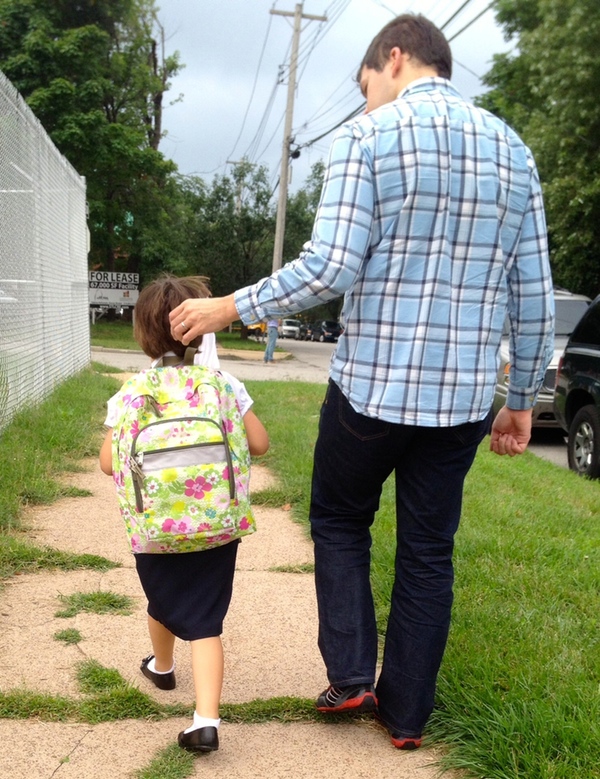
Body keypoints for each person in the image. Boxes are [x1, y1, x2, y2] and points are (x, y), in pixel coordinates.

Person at [167, 14, 554, 750]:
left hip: (370, 392)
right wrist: (521, 401)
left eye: (366, 84)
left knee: (341, 520)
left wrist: (229, 305)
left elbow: (331, 266)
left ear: (395, 57)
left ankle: (351, 677)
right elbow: (533, 294)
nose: (367, 99)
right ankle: (406, 717)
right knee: (428, 552)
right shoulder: (514, 151)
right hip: (463, 399)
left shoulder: (368, 138)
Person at [99, 275, 269, 753]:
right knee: (206, 622)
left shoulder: (133, 391)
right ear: (204, 329)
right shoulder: (223, 384)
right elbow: (259, 444)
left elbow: (110, 463)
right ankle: (204, 719)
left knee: (164, 597)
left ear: (141, 335)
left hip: (155, 529)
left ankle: (163, 665)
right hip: (216, 526)